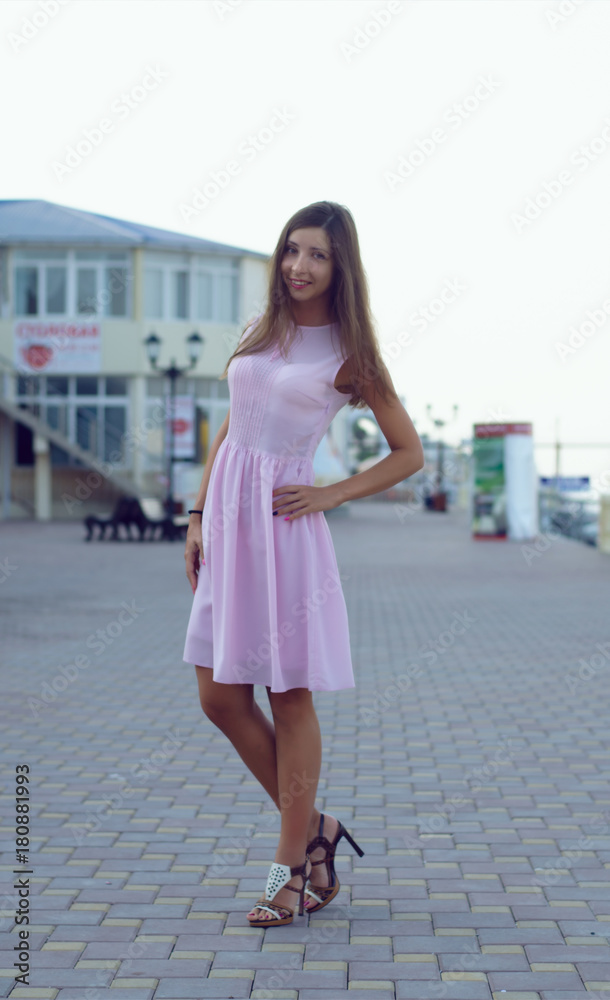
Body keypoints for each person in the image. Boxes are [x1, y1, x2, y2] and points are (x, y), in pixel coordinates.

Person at [182, 200, 425, 927]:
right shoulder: (267, 332)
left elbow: (408, 452)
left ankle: (290, 868)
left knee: (289, 697)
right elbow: (232, 425)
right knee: (219, 697)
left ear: (339, 266)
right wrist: (197, 514)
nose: (299, 266)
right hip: (228, 527)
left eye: (317, 254)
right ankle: (318, 829)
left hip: (286, 533)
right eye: (292, 250)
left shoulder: (350, 355)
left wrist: (331, 493)